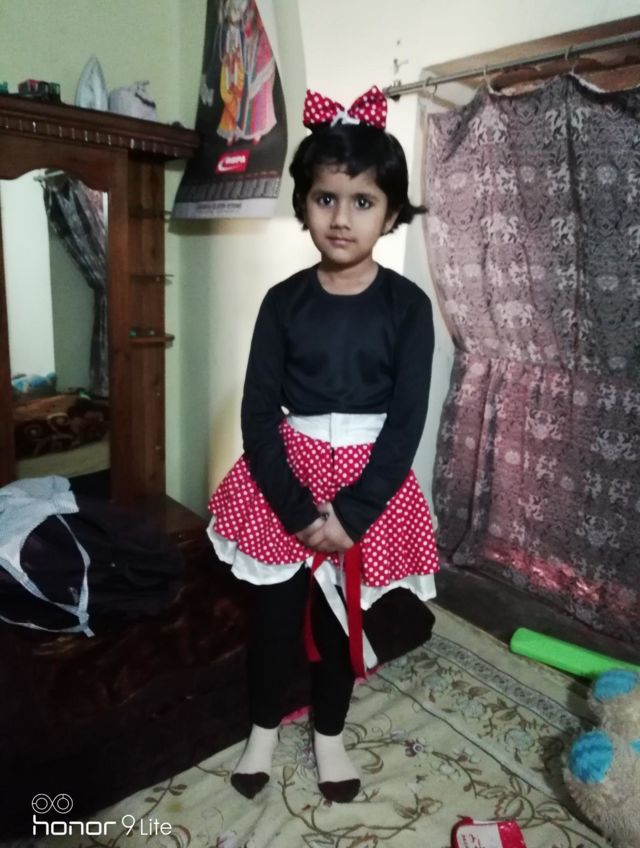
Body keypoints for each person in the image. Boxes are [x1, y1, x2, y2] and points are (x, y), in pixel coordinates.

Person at [207, 85, 439, 804]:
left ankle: (330, 734)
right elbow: (256, 412)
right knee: (276, 619)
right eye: (326, 198)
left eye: (363, 201)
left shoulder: (409, 307)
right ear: (304, 204)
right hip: (288, 478)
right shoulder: (283, 302)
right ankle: (263, 728)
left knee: (344, 619)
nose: (342, 217)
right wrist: (299, 510)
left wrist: (355, 514)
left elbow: (406, 422)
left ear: (391, 214)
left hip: (371, 484)